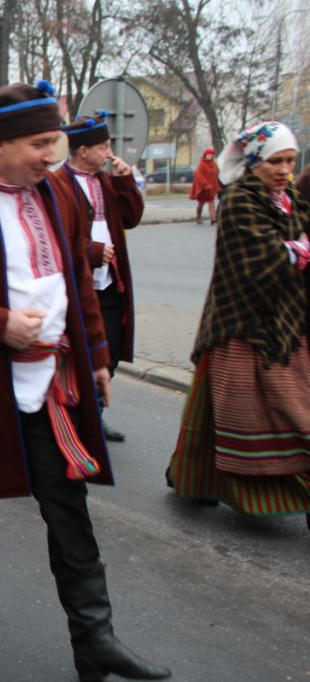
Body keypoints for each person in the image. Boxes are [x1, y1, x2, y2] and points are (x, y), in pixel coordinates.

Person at [0, 81, 170, 681]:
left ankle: (95, 638)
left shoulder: (61, 190)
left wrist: (97, 355)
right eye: (39, 143)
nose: (52, 154)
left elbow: (74, 276)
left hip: (51, 381)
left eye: (56, 141)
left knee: (67, 503)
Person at [167, 121, 310, 530]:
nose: (283, 169)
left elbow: (294, 250)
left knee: (219, 413)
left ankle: (194, 479)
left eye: (290, 161)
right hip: (240, 323)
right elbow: (260, 258)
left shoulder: (291, 200)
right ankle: (214, 482)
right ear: (253, 163)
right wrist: (297, 250)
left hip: (285, 320)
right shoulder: (239, 201)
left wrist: (296, 250)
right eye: (275, 161)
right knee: (262, 411)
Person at [54, 113, 144, 443]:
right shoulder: (58, 184)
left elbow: (131, 218)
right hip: (75, 289)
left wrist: (126, 182)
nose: (108, 153)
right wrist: (89, 251)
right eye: (103, 147)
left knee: (110, 349)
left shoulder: (107, 181)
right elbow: (54, 236)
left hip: (110, 285)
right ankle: (76, 420)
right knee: (77, 354)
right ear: (82, 150)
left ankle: (96, 415)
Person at [189, 148, 221, 224]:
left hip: (211, 188)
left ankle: (213, 219)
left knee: (211, 203)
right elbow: (199, 176)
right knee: (201, 204)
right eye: (208, 155)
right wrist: (206, 184)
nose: (210, 156)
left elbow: (216, 175)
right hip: (203, 189)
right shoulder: (201, 165)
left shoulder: (214, 164)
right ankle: (198, 217)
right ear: (205, 155)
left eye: (211, 155)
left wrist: (218, 186)